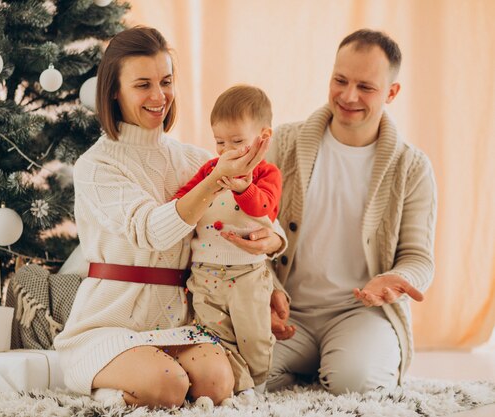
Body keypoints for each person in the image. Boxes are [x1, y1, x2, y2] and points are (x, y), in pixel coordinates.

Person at [53, 26, 284, 409]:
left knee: (217, 382)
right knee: (168, 385)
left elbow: (246, 223)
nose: (159, 96)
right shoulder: (95, 166)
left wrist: (274, 254)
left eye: (166, 81)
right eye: (143, 84)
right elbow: (152, 232)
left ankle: (144, 385)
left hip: (181, 323)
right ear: (114, 90)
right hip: (108, 323)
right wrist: (213, 181)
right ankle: (108, 393)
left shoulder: (194, 160)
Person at [263, 29, 438, 395]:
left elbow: (418, 259)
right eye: (340, 80)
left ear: (391, 93)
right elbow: (252, 227)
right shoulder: (285, 142)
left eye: (366, 87)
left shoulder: (412, 167)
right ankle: (315, 362)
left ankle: (337, 362)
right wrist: (265, 293)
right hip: (287, 311)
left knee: (355, 381)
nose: (348, 96)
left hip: (360, 313)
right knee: (243, 377)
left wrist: (394, 279)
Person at [172, 85, 282, 403]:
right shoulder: (211, 169)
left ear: (263, 138)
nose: (227, 151)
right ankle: (240, 385)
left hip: (247, 275)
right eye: (220, 142)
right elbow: (183, 201)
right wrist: (208, 184)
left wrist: (243, 185)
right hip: (206, 273)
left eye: (237, 142)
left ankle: (258, 381)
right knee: (215, 334)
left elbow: (265, 208)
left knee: (254, 337)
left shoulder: (267, 173)